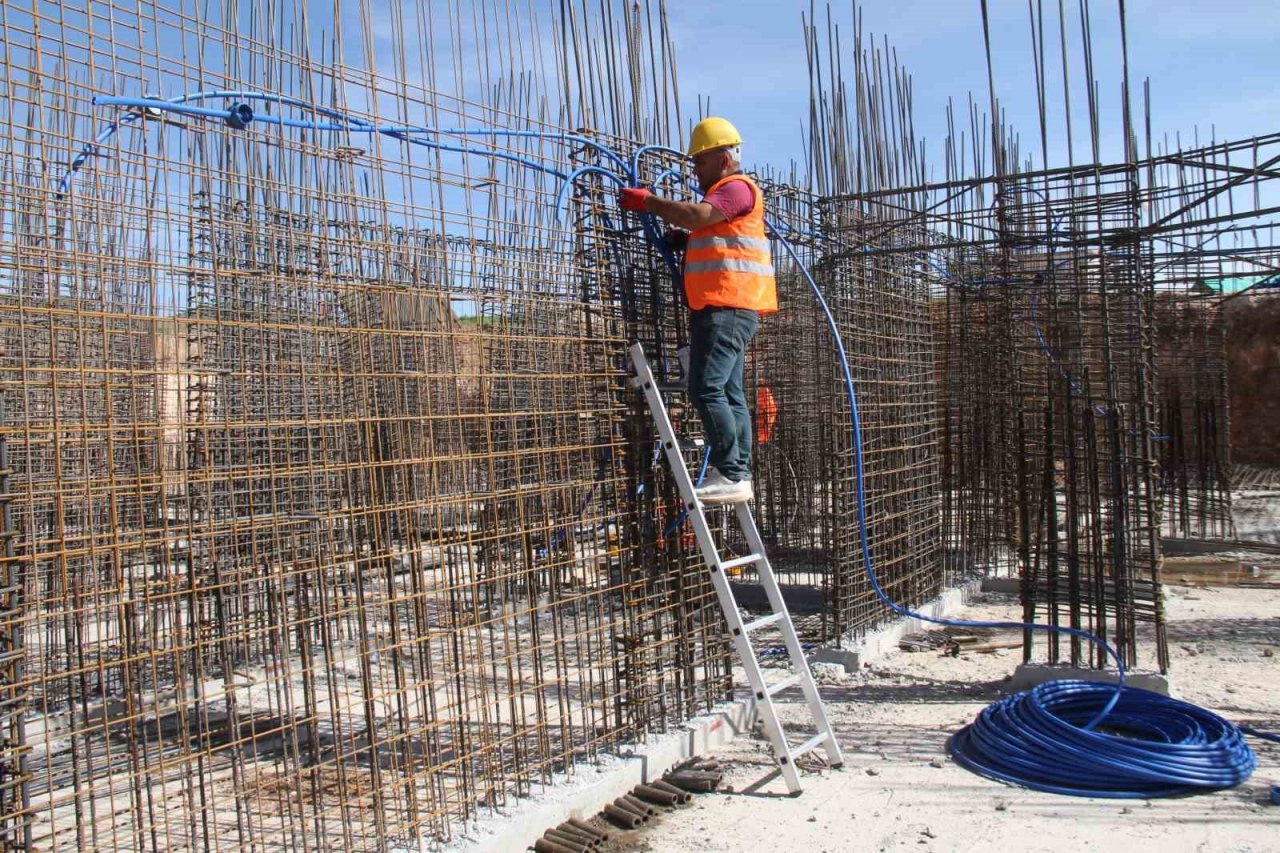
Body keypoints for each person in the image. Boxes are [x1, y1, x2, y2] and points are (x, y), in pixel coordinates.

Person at [618, 117, 778, 504]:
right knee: (730, 391)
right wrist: (686, 241)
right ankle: (736, 472)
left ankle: (733, 473)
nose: (695, 169)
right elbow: (714, 234)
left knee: (705, 387)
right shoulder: (729, 195)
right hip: (731, 307)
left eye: (701, 162)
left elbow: (701, 216)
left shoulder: (736, 188)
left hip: (725, 307)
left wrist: (650, 202)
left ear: (724, 159)